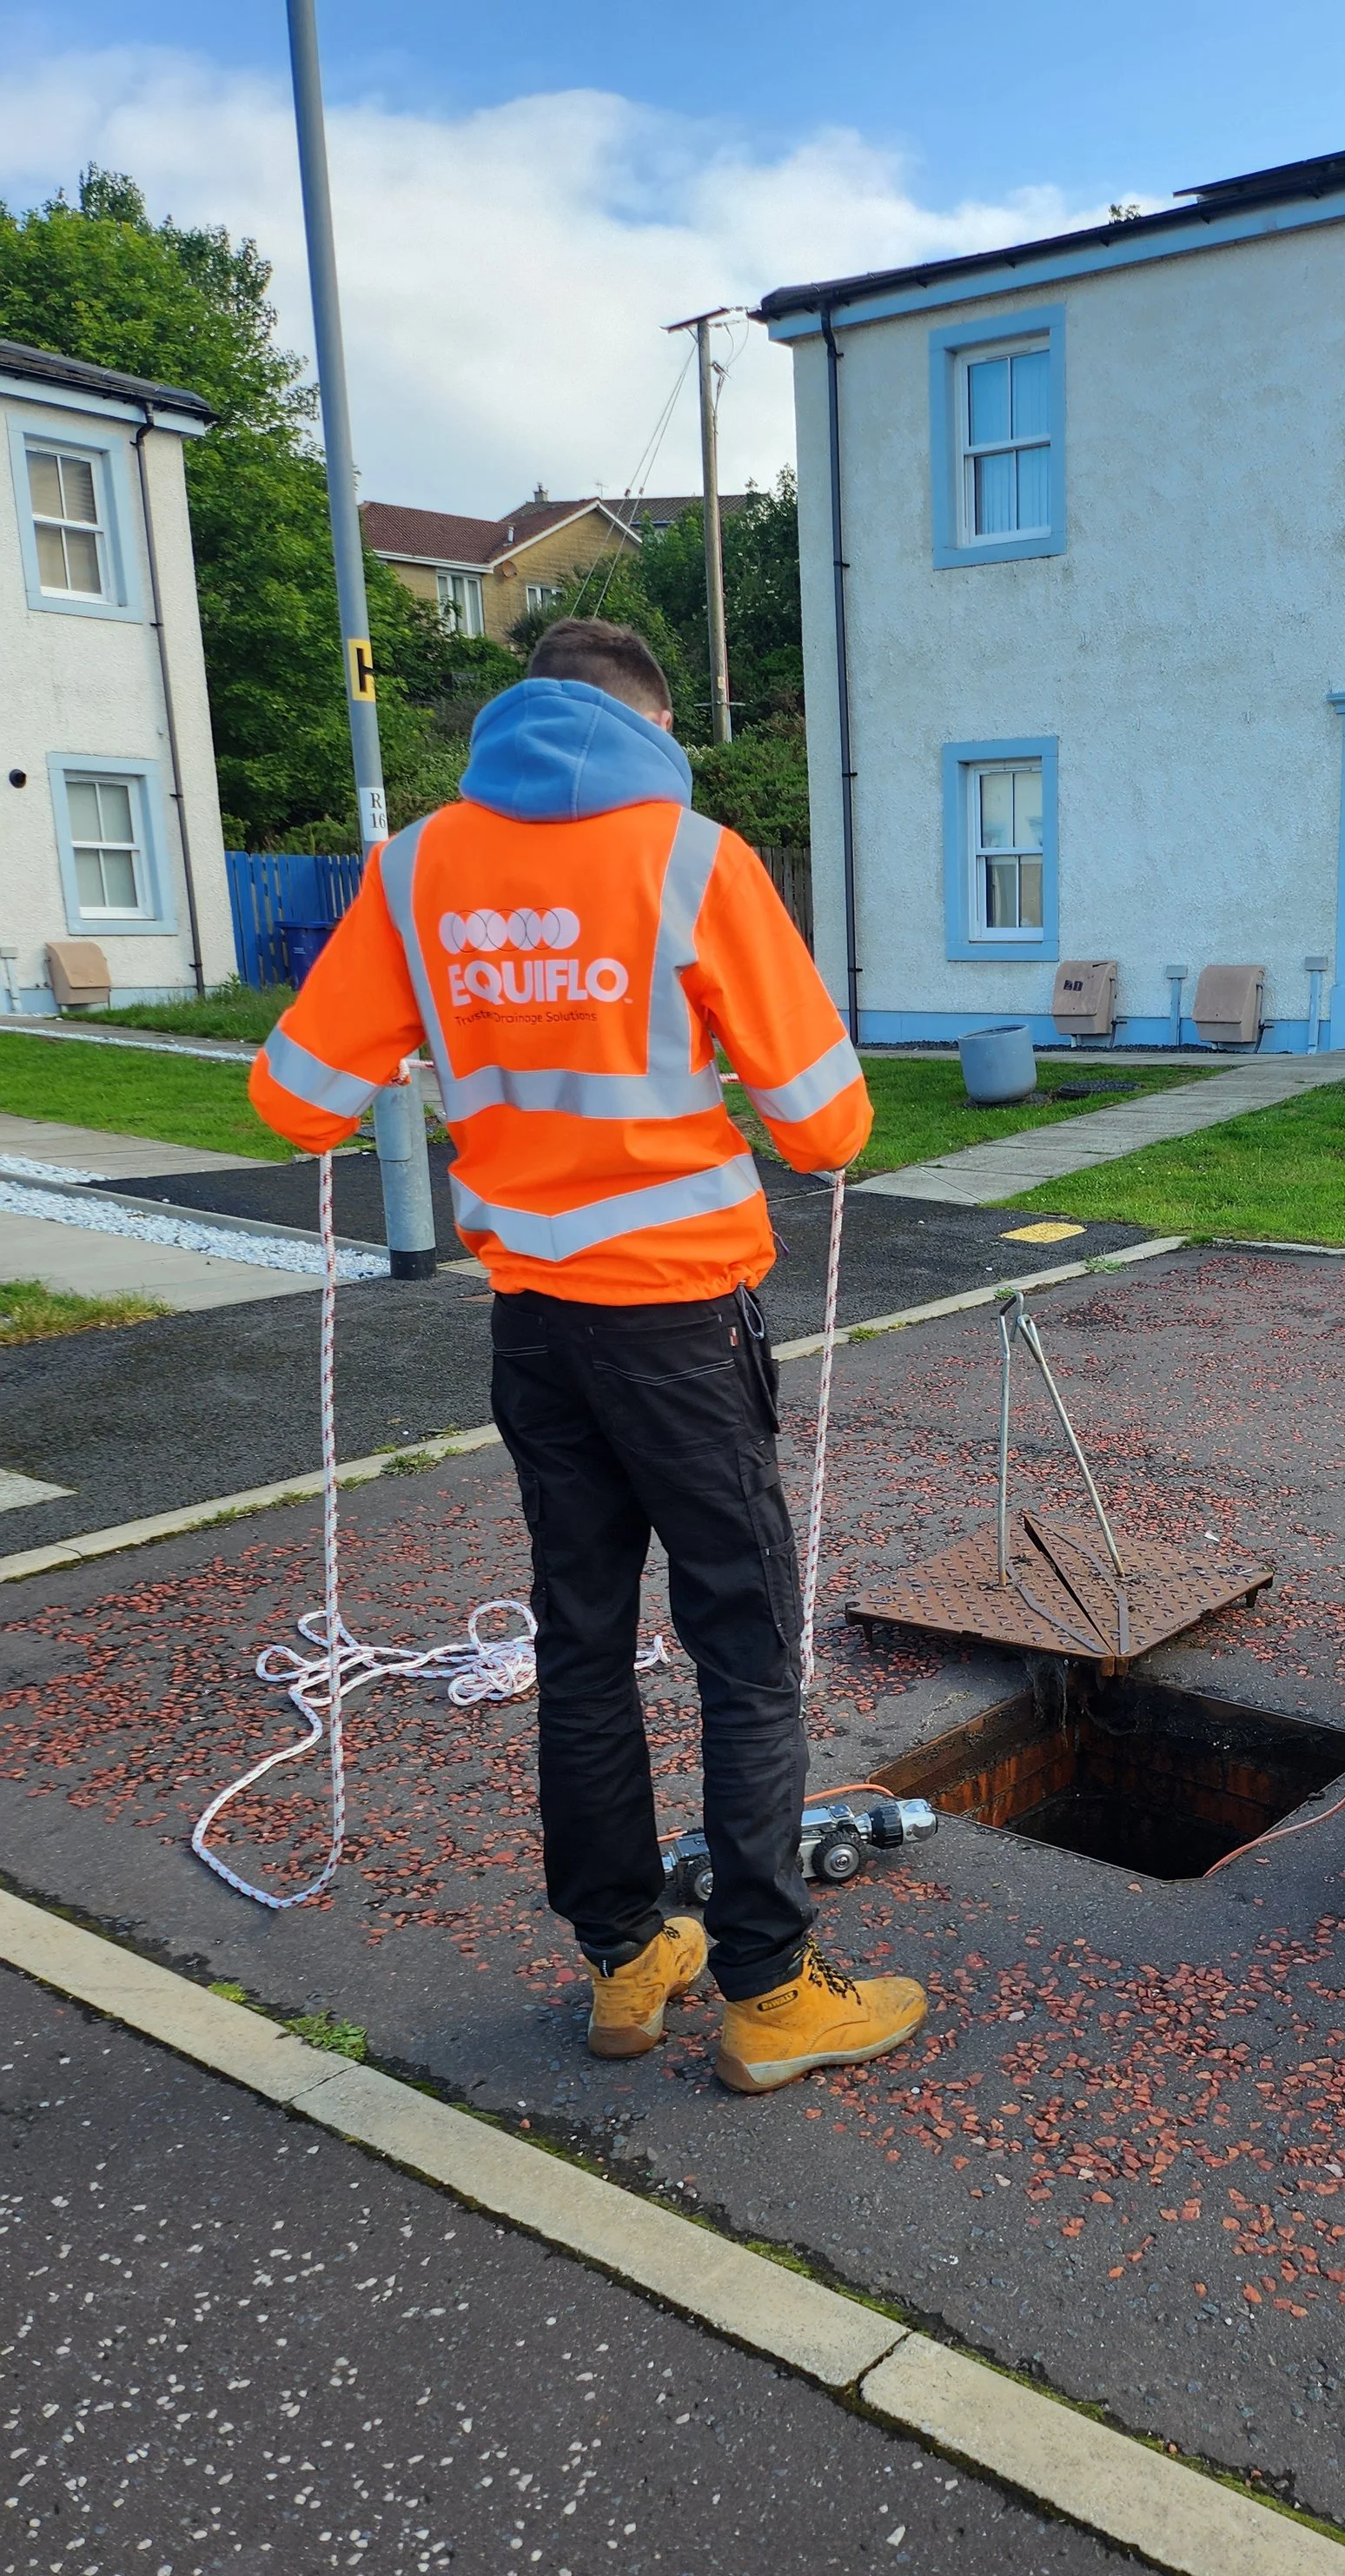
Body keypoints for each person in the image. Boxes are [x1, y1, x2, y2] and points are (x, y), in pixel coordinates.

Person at [247, 617, 926, 2095]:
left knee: (582, 1642)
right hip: (679, 1318)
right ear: (653, 725)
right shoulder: (696, 860)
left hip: (536, 1326)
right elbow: (828, 1126)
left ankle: (628, 1962)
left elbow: (295, 1100)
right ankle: (770, 1991)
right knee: (744, 1648)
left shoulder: (416, 866)